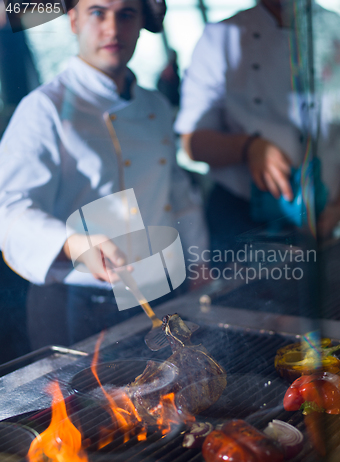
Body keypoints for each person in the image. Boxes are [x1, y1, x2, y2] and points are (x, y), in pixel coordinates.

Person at [0, 0, 207, 350]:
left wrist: (199, 265)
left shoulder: (154, 104)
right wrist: (73, 243)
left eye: (126, 14)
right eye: (98, 12)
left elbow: (178, 195)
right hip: (78, 306)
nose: (112, 29)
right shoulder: (44, 107)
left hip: (160, 294)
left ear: (143, 22)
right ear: (73, 21)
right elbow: (8, 211)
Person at [175, 0, 340, 248]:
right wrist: (248, 147)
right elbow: (192, 144)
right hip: (240, 219)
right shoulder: (221, 37)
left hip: (324, 218)